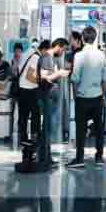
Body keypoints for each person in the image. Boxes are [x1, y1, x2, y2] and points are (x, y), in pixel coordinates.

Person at [69, 26, 106, 168]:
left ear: (83, 39)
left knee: (81, 129)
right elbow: (105, 79)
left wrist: (76, 97)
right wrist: (102, 96)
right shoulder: (102, 55)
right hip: (97, 96)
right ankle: (99, 157)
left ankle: (79, 159)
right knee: (99, 129)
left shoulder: (78, 56)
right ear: (95, 37)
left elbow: (75, 79)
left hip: (82, 98)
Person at [35, 39, 68, 169]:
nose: (63, 52)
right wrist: (59, 73)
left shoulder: (50, 58)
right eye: (63, 49)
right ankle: (44, 157)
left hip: (49, 97)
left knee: (48, 128)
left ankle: (46, 156)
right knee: (47, 128)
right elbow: (44, 76)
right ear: (58, 46)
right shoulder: (46, 58)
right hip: (46, 97)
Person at [17, 41, 42, 147]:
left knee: (23, 114)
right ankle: (34, 137)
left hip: (21, 89)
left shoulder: (26, 53)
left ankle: (22, 137)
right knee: (35, 114)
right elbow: (29, 76)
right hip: (30, 90)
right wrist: (41, 82)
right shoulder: (36, 57)